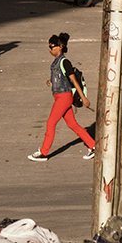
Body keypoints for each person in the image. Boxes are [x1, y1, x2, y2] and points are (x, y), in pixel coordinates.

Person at [30, 32, 96, 161]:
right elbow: (61, 78)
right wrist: (51, 82)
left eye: (52, 47)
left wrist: (83, 97)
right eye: (49, 47)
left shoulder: (64, 62)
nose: (51, 50)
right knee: (73, 124)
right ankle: (93, 145)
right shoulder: (56, 62)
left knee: (50, 123)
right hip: (60, 96)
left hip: (64, 97)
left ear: (60, 46)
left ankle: (44, 152)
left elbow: (73, 80)